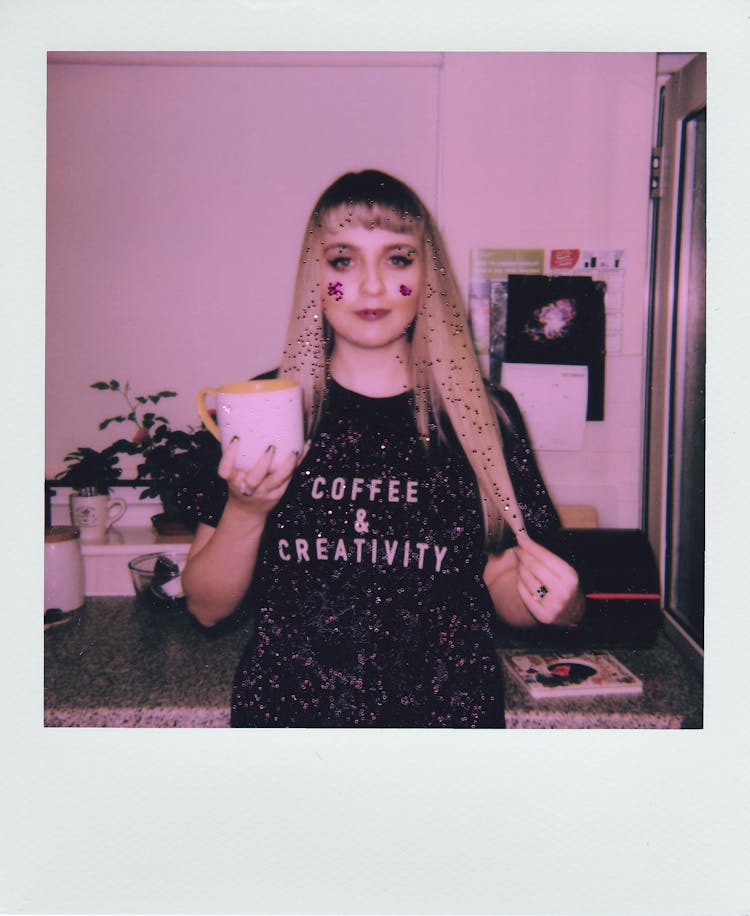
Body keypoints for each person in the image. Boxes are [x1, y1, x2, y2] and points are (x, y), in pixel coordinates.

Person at [181, 169, 585, 727]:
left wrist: (552, 602)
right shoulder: (260, 407)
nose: (371, 286)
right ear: (315, 279)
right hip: (292, 736)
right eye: (343, 260)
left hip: (443, 734)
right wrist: (247, 511)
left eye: (397, 258)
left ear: (427, 277)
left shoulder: (481, 415)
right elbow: (205, 607)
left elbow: (503, 583)